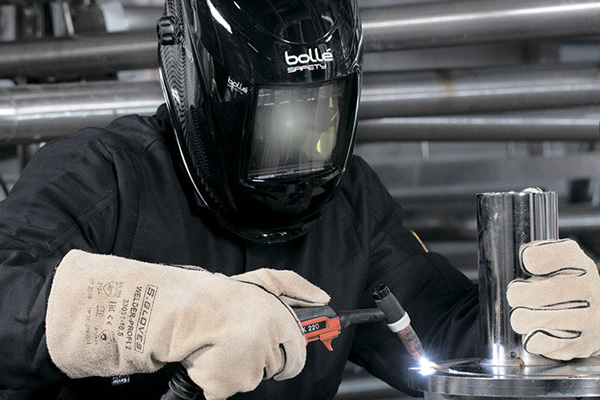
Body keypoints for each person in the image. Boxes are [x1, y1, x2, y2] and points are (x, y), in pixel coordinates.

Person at [1, 1, 599, 399]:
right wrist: (160, 312)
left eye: (323, 113)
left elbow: (441, 330)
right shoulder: (102, 176)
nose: (305, 152)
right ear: (201, 87)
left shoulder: (350, 204)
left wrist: (544, 324)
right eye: (279, 119)